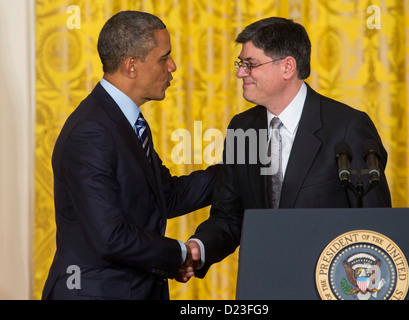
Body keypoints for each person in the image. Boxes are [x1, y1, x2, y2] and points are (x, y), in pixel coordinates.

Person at [179, 17, 391, 280]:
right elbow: (229, 215)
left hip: (330, 286)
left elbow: (374, 225)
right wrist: (199, 248)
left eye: (250, 64)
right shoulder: (242, 128)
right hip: (263, 285)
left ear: (288, 67)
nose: (240, 73)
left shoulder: (347, 127)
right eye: (240, 64)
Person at [41, 11, 218, 300]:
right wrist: (181, 253)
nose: (173, 66)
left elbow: (166, 196)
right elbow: (110, 236)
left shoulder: (123, 121)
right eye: (164, 58)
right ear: (131, 66)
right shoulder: (91, 131)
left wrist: (242, 170)